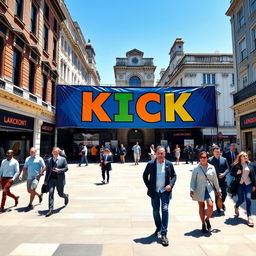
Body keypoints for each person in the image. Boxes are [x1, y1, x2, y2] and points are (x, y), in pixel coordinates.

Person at [143, 146, 177, 246]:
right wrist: (149, 187)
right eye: (159, 153)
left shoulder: (169, 164)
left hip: (165, 191)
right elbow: (145, 176)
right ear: (156, 154)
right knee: (155, 211)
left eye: (162, 153)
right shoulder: (150, 164)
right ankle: (159, 227)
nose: (160, 155)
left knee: (165, 210)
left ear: (165, 154)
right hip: (154, 192)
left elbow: (174, 176)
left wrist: (170, 185)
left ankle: (164, 233)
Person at [190, 151, 221, 233]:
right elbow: (193, 180)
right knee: (201, 206)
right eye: (201, 157)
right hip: (199, 189)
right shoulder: (196, 168)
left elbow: (215, 180)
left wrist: (218, 190)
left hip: (209, 189)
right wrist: (191, 189)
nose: (202, 159)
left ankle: (207, 219)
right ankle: (203, 224)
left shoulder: (212, 167)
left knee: (210, 205)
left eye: (204, 157)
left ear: (207, 158)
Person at [230, 152, 256, 227]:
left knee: (248, 199)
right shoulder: (236, 165)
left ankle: (249, 217)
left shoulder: (250, 164)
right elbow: (231, 173)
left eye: (246, 156)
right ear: (240, 157)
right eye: (244, 156)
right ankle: (236, 206)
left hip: (248, 184)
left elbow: (253, 175)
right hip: (240, 185)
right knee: (241, 200)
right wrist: (237, 173)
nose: (246, 157)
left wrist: (254, 185)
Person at [43, 147, 69, 217]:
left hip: (59, 179)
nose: (55, 153)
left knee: (60, 194)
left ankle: (66, 196)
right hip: (51, 179)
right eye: (54, 151)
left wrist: (59, 170)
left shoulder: (63, 159)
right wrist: (45, 181)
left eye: (56, 151)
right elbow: (48, 171)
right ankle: (51, 210)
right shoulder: (49, 160)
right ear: (52, 152)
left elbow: (66, 168)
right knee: (51, 193)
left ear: (58, 152)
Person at [208, 146, 229, 213]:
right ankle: (218, 208)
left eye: (219, 151)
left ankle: (221, 203)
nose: (217, 153)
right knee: (217, 194)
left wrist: (224, 174)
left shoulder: (224, 159)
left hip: (223, 179)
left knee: (225, 193)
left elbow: (228, 169)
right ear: (213, 152)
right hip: (214, 180)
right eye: (216, 152)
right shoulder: (210, 160)